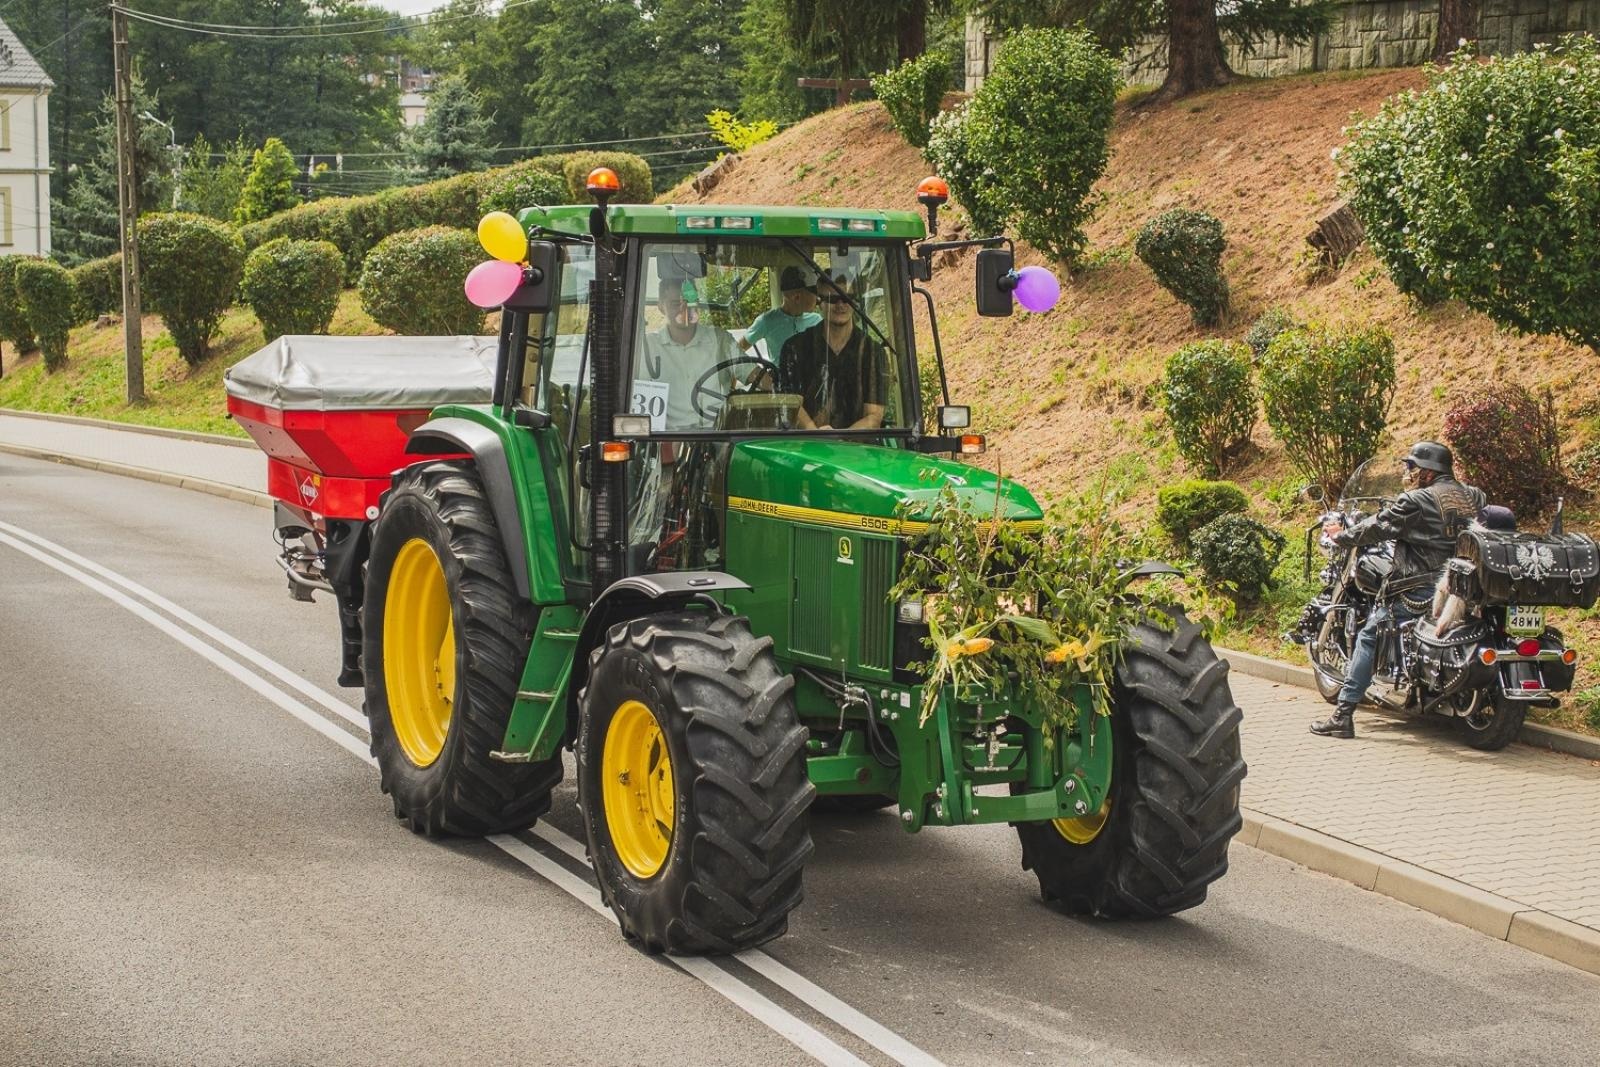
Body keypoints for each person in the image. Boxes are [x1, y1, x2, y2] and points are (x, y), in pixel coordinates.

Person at [1311, 441, 1486, 739]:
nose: (1408, 472)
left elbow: (1377, 526)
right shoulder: (1473, 495)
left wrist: (1342, 536)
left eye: (1412, 467)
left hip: (1421, 590)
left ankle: (1342, 716)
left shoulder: (1417, 500)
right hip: (1465, 587)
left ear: (1429, 472)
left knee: (1369, 636)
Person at [775, 273, 888, 431]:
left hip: (859, 450)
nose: (840, 305)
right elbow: (792, 405)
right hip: (806, 448)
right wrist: (816, 435)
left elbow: (873, 417)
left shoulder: (872, 351)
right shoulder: (795, 348)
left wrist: (840, 440)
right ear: (819, 303)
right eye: (832, 299)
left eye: (847, 298)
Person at [637, 275, 738, 431]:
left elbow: (754, 374)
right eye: (675, 304)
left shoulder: (720, 340)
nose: (684, 310)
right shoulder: (647, 348)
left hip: (721, 437)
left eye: (690, 302)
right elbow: (637, 400)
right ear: (661, 306)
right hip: (670, 440)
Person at [739, 266, 821, 360]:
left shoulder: (817, 320)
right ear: (797, 297)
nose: (818, 298)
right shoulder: (766, 321)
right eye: (815, 293)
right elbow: (737, 349)